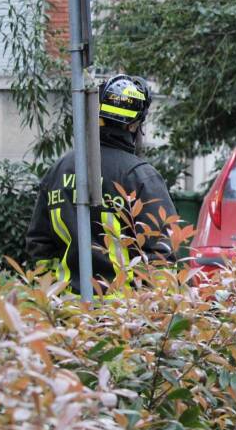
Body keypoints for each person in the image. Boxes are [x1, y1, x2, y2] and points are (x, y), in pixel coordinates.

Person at [25, 74, 176, 293]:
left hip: (67, 313)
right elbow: (160, 255)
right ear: (134, 125)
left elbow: (38, 243)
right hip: (122, 319)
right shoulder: (140, 177)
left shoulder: (60, 170)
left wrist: (55, 295)